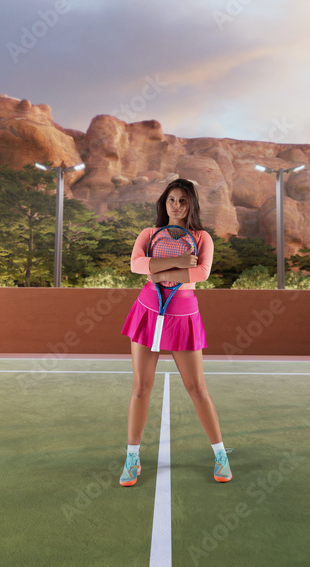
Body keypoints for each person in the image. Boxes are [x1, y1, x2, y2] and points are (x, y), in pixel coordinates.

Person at [119, 178, 231, 487]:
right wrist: (178, 261)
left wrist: (159, 269)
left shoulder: (202, 237)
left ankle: (221, 454)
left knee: (197, 388)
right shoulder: (149, 233)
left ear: (191, 204)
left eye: (183, 200)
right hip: (147, 310)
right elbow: (135, 265)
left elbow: (201, 273)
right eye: (172, 200)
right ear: (164, 203)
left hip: (183, 313)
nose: (177, 206)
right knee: (141, 387)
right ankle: (132, 457)